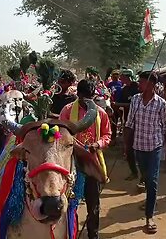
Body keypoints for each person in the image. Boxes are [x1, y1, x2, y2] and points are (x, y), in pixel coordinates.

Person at [60, 79, 112, 239]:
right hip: (71, 162)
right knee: (67, 201)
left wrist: (97, 144)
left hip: (91, 161)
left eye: (90, 97)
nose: (87, 101)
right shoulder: (68, 111)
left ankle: (93, 235)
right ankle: (69, 232)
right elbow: (60, 134)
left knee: (93, 202)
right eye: (84, 98)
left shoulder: (100, 112)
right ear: (78, 95)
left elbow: (107, 135)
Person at [125, 71, 166, 234]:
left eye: (142, 82)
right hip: (139, 147)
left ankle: (149, 217)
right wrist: (127, 146)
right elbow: (129, 124)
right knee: (145, 178)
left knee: (152, 181)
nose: (139, 85)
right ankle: (150, 198)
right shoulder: (136, 100)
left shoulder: (161, 104)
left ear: (151, 85)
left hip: (155, 147)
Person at [115, 69, 141, 181]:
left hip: (140, 122)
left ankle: (144, 175)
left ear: (128, 77)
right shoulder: (124, 89)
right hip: (128, 122)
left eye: (122, 77)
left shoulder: (138, 88)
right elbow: (121, 102)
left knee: (141, 149)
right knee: (129, 148)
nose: (121, 79)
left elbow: (135, 104)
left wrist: (119, 104)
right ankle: (134, 172)